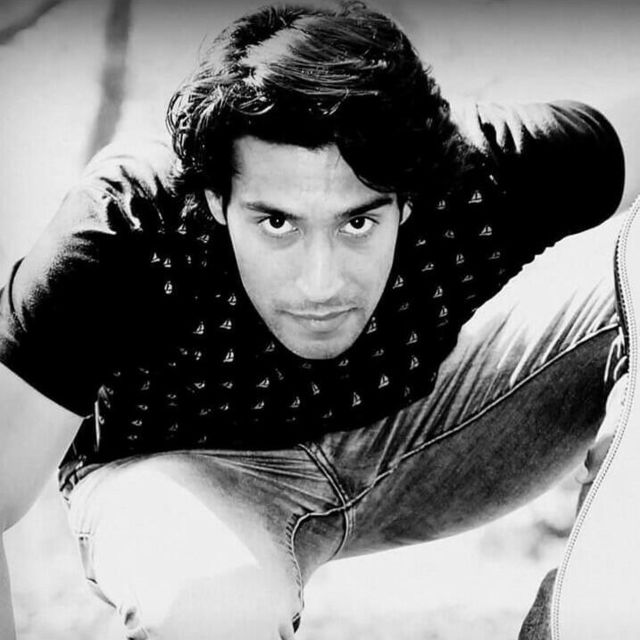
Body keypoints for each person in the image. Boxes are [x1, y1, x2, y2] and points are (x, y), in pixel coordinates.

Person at [0, 1, 631, 638]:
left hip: (423, 428)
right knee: (216, 609)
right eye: (278, 223)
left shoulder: (467, 169)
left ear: (408, 199)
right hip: (184, 473)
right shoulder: (124, 228)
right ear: (215, 198)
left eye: (358, 222)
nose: (320, 284)